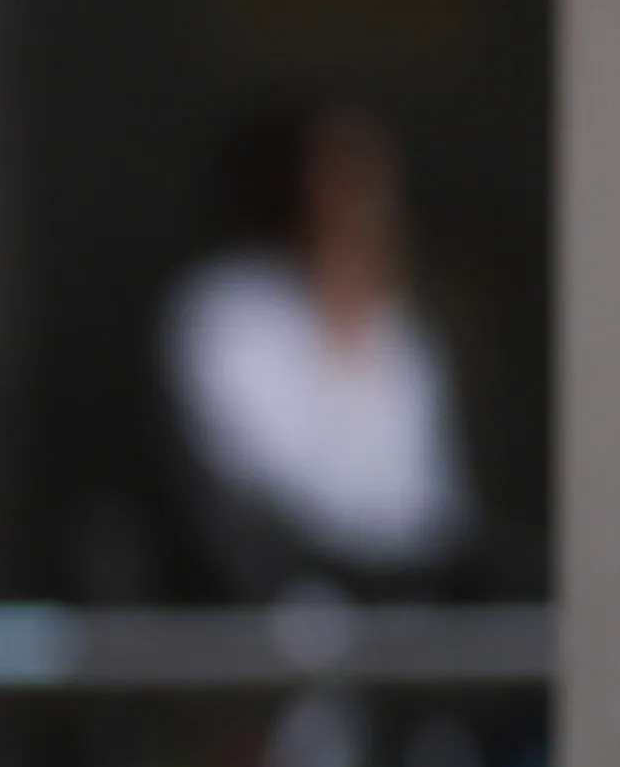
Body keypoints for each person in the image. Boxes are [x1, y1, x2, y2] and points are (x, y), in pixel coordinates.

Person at [167, 102, 477, 591]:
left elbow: (429, 497)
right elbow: (269, 487)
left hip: (411, 593)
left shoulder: (404, 327)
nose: (364, 213)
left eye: (375, 190)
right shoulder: (228, 312)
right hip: (278, 594)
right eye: (342, 185)